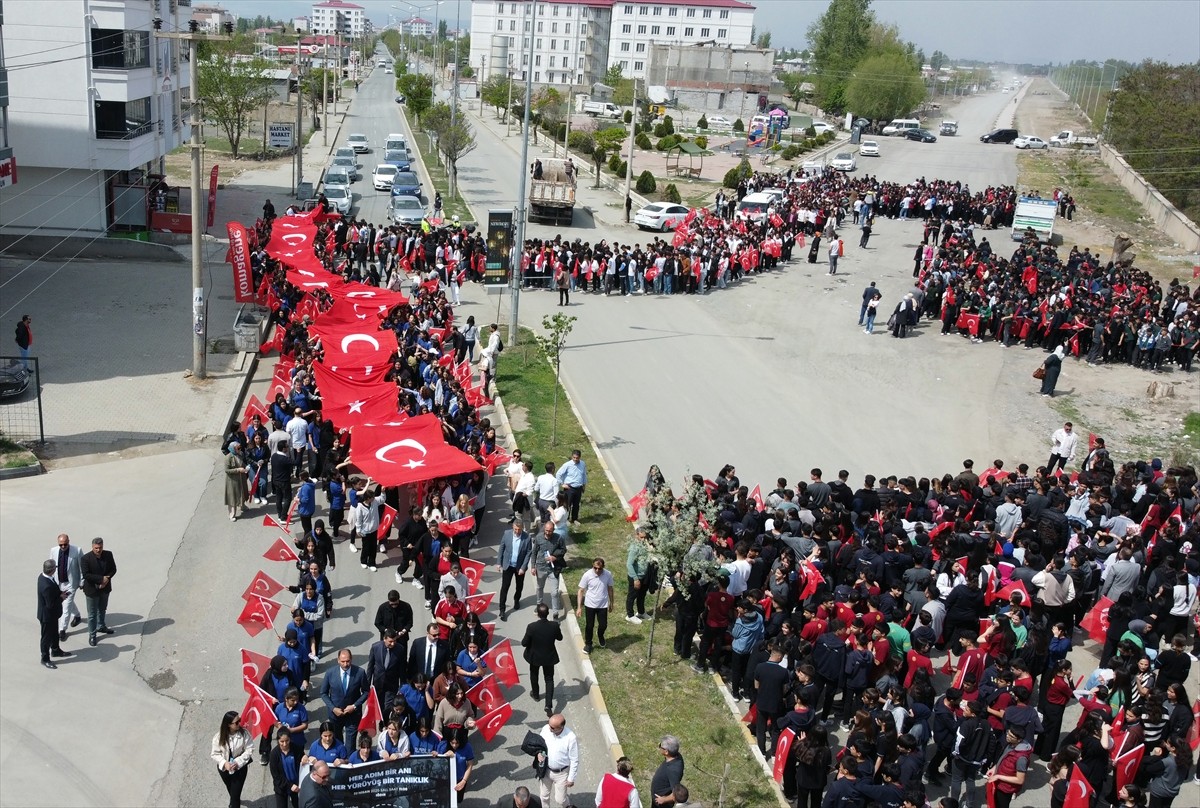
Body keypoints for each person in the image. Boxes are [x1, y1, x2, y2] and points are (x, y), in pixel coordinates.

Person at [320, 649, 369, 749]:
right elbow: (323, 693)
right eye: (343, 661)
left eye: (348, 661)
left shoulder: (359, 672)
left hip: (353, 715)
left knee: (350, 745)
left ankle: (349, 761)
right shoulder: (330, 673)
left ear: (351, 660)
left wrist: (355, 706)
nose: (346, 664)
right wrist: (333, 708)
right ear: (338, 660)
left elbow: (366, 692)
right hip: (335, 715)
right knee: (337, 743)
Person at [522, 603, 563, 717]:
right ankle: (548, 705)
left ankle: (535, 695)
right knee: (549, 679)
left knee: (534, 674)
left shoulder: (531, 627)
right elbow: (560, 638)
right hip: (549, 657)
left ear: (538, 614)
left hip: (534, 657)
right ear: (548, 613)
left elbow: (524, 643)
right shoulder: (554, 626)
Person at [210, 710, 253, 808]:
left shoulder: (244, 734)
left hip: (240, 769)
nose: (239, 724)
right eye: (236, 722)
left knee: (235, 795)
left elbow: (250, 749)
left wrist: (238, 762)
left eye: (240, 720)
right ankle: (233, 800)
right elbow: (215, 754)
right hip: (224, 769)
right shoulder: (219, 737)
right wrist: (224, 763)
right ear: (229, 724)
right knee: (230, 788)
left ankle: (234, 803)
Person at [79, 536, 116, 647]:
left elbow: (113, 569)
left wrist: (107, 578)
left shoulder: (108, 555)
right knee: (92, 614)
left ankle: (101, 626)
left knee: (102, 609)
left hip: (105, 588)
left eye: (100, 547)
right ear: (92, 547)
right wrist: (101, 580)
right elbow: (86, 575)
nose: (98, 550)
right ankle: (92, 635)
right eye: (96, 548)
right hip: (92, 590)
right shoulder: (85, 559)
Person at [538, 714, 580, 808]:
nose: (549, 728)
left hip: (561, 774)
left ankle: (568, 807)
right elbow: (540, 745)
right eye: (549, 725)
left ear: (561, 727)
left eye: (552, 727)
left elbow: (574, 759)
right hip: (546, 770)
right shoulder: (546, 729)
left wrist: (571, 778)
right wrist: (539, 753)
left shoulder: (570, 737)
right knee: (543, 797)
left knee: (560, 800)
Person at [576, 557, 615, 654]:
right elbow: (581, 590)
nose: (597, 570)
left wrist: (611, 603)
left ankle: (600, 634)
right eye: (595, 568)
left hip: (602, 605)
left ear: (603, 567)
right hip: (590, 604)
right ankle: (588, 644)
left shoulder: (608, 574)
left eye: (600, 568)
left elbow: (610, 589)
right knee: (590, 625)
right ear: (592, 567)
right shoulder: (587, 575)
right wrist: (579, 607)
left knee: (603, 625)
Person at [49, 533, 83, 643]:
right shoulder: (54, 551)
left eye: (65, 544)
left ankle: (62, 630)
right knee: (69, 602)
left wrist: (82, 581)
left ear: (69, 541)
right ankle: (77, 616)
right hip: (59, 583)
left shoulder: (77, 551)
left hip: (71, 583)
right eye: (61, 545)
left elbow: (82, 567)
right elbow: (51, 565)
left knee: (66, 607)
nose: (63, 547)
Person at [37, 558, 70, 669]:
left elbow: (52, 593)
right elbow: (50, 604)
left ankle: (55, 650)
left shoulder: (43, 577)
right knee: (46, 638)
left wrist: (60, 593)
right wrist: (61, 597)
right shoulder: (46, 585)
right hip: (47, 616)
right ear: (52, 570)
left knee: (54, 634)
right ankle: (45, 658)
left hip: (52, 615)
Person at [497, 518, 534, 617]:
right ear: (513, 527)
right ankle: (502, 609)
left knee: (519, 586)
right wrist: (498, 562)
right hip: (508, 565)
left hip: (519, 567)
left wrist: (523, 567)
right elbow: (502, 548)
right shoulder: (507, 534)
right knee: (505, 587)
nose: (517, 532)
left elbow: (528, 553)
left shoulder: (527, 538)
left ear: (522, 528)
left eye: (519, 530)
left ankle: (516, 599)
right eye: (515, 529)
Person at [366, 629, 406, 716]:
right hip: (378, 683)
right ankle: (381, 723)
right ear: (384, 639)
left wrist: (402, 686)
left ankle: (386, 722)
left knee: (388, 706)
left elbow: (402, 669)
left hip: (391, 684)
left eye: (395, 641)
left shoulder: (400, 649)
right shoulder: (375, 647)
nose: (393, 643)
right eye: (390, 641)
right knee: (379, 705)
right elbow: (370, 667)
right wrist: (367, 684)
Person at [533, 521, 566, 618]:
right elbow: (534, 552)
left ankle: (555, 613)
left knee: (554, 592)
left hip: (553, 569)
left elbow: (563, 550)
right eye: (546, 530)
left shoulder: (559, 538)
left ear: (553, 530)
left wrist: (555, 557)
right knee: (539, 588)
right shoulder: (539, 538)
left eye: (550, 531)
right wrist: (532, 566)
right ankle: (539, 604)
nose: (548, 533)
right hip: (541, 567)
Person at [269, 727, 303, 808]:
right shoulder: (274, 754)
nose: (285, 744)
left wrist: (304, 757)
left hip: (296, 786)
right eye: (282, 741)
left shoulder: (296, 748)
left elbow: (303, 758)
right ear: (278, 740)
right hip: (281, 787)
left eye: (287, 741)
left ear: (290, 739)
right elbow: (276, 776)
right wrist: (290, 785)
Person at [651, 735, 685, 806]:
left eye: (660, 746)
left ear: (666, 752)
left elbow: (676, 793)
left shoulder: (673, 770)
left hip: (661, 804)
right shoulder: (675, 756)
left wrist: (664, 800)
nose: (659, 747)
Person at [556, 449, 587, 525]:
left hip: (578, 487)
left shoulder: (582, 464)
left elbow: (584, 475)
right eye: (574, 457)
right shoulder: (567, 465)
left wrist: (584, 485)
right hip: (569, 488)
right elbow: (558, 474)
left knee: (576, 504)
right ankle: (566, 519)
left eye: (577, 458)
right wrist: (562, 484)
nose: (575, 459)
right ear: (572, 456)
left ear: (580, 457)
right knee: (567, 504)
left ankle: (574, 519)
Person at [225, 442, 250, 521]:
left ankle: (242, 506)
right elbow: (227, 470)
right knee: (233, 497)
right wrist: (238, 470)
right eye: (238, 448)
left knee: (242, 493)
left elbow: (241, 463)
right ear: (233, 448)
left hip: (241, 478)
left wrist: (246, 466)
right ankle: (232, 515)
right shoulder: (228, 457)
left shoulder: (240, 454)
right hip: (233, 481)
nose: (240, 449)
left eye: (240, 447)